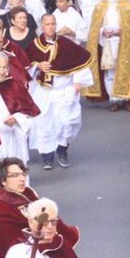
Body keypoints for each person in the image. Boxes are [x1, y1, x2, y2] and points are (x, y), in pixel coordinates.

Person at [26, 13, 93, 169]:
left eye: (53, 24)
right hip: (43, 91)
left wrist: (77, 82)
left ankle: (62, 149)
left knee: (65, 122)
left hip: (63, 90)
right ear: (42, 26)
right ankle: (47, 156)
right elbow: (25, 65)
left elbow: (80, 62)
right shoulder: (34, 45)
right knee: (44, 123)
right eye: (48, 24)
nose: (51, 27)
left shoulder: (66, 44)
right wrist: (38, 66)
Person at [0, 51, 40, 163]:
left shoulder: (15, 86)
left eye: (4, 67)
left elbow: (30, 114)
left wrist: (17, 118)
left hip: (11, 142)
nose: (2, 71)